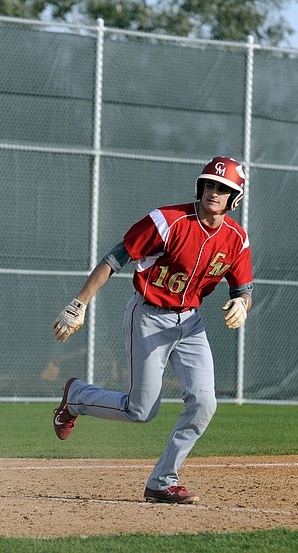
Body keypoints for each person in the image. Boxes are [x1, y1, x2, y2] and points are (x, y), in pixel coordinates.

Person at [51, 156, 253, 504]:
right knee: (141, 411)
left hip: (190, 323)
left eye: (223, 188)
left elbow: (243, 289)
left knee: (204, 402)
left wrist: (241, 305)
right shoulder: (168, 221)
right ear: (199, 187)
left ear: (235, 198)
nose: (214, 192)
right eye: (209, 184)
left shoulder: (236, 239)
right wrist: (79, 303)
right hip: (148, 316)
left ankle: (163, 481)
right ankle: (77, 397)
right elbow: (117, 257)